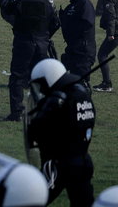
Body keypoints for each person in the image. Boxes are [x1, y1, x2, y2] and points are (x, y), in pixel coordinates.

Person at [27, 58, 95, 206]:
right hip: (83, 161)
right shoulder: (81, 94)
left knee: (31, 200)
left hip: (59, 164)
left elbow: (37, 129)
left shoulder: (59, 101)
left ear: (50, 79)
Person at [1, 0, 60, 121]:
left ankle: (17, 112)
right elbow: (56, 23)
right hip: (42, 43)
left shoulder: (18, 1)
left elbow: (5, 10)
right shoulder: (47, 1)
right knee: (42, 77)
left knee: (17, 77)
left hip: (23, 43)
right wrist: (46, 37)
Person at [57, 0, 96, 79]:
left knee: (81, 84)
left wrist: (69, 23)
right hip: (72, 49)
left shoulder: (85, 4)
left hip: (83, 52)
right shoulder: (71, 6)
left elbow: (86, 24)